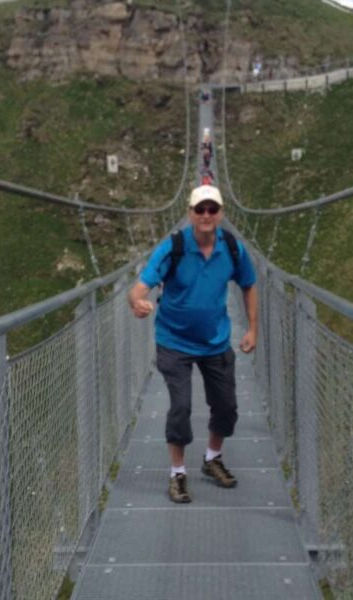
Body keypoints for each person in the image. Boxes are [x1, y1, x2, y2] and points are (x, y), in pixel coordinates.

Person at [129, 185, 258, 504]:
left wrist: (253, 329)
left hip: (216, 341)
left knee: (226, 407)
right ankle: (177, 474)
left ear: (221, 213)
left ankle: (213, 457)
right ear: (189, 213)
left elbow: (249, 285)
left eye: (212, 209)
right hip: (174, 341)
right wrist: (139, 303)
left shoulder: (232, 248)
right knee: (181, 407)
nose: (206, 215)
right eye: (200, 210)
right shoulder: (172, 247)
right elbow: (138, 290)